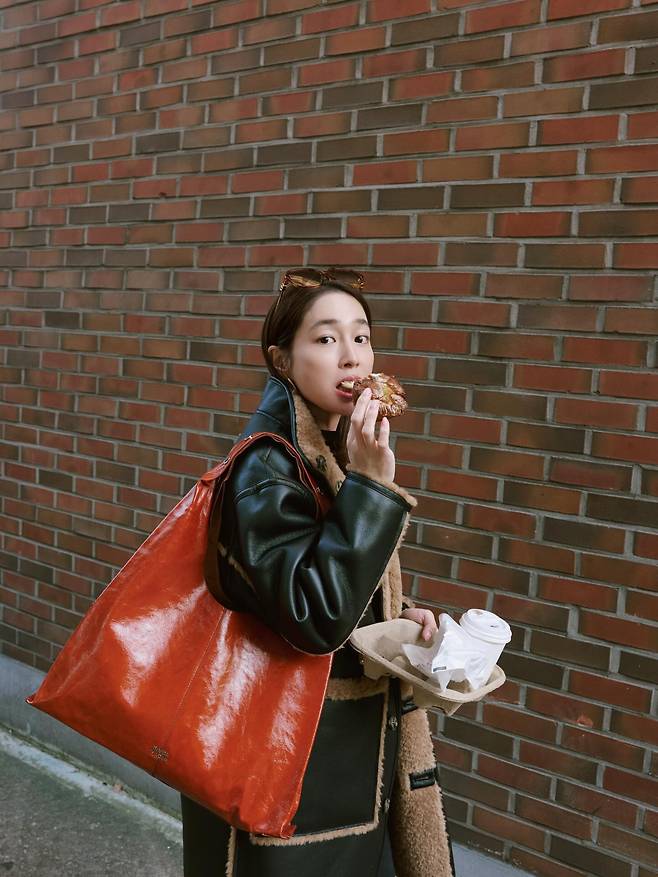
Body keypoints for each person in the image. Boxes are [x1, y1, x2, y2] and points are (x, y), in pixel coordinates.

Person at [180, 268, 455, 877]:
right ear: (282, 359)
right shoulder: (267, 469)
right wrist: (372, 485)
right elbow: (313, 615)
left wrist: (397, 616)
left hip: (346, 762)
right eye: (327, 339)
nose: (351, 357)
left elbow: (334, 581)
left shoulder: (330, 451)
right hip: (288, 763)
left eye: (361, 337)